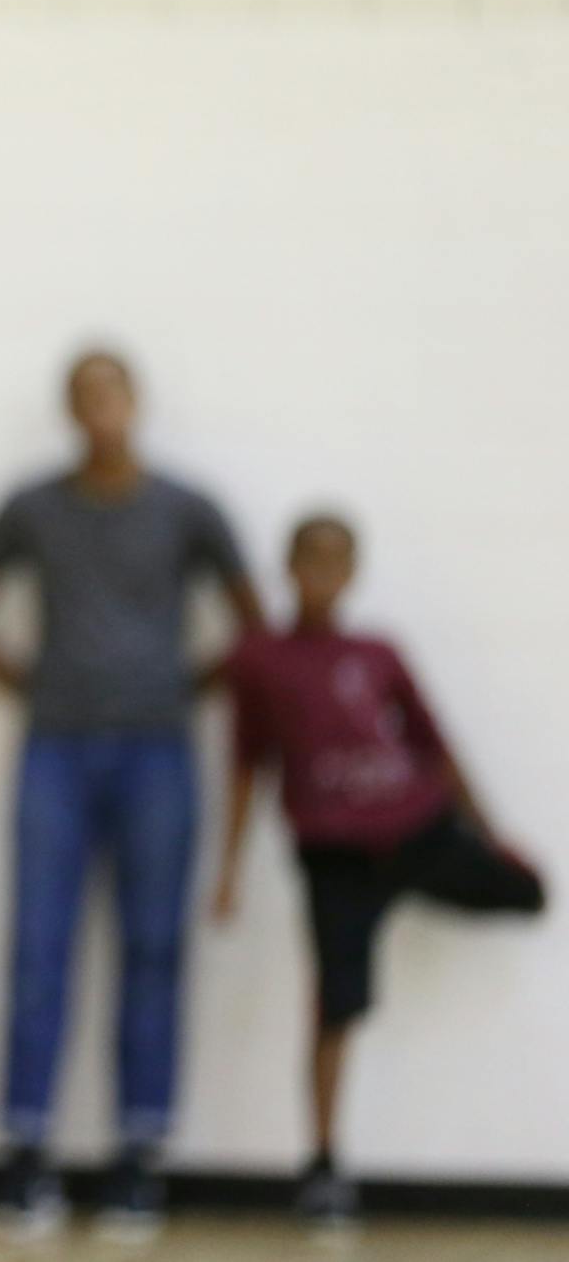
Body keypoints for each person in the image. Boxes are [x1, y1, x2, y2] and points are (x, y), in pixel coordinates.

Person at [0, 349, 263, 1238]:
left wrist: (184, 685)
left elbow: (253, 624)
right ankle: (27, 1151)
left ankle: (137, 1154)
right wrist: (30, 682)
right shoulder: (33, 507)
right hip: (57, 747)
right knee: (40, 945)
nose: (101, 410)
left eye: (112, 392)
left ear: (137, 402)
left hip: (159, 750)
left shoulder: (186, 508)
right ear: (69, 410)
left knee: (153, 945)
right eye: (85, 397)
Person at [212, 513, 544, 1230]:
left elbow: (434, 743)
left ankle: (428, 882)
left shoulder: (378, 652)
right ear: (289, 564)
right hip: (334, 854)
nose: (323, 575)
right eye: (311, 560)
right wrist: (228, 868)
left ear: (354, 571)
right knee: (337, 1005)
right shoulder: (260, 658)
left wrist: (493, 837)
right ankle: (325, 1166)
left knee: (530, 893)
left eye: (338, 562)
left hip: (414, 828)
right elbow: (247, 763)